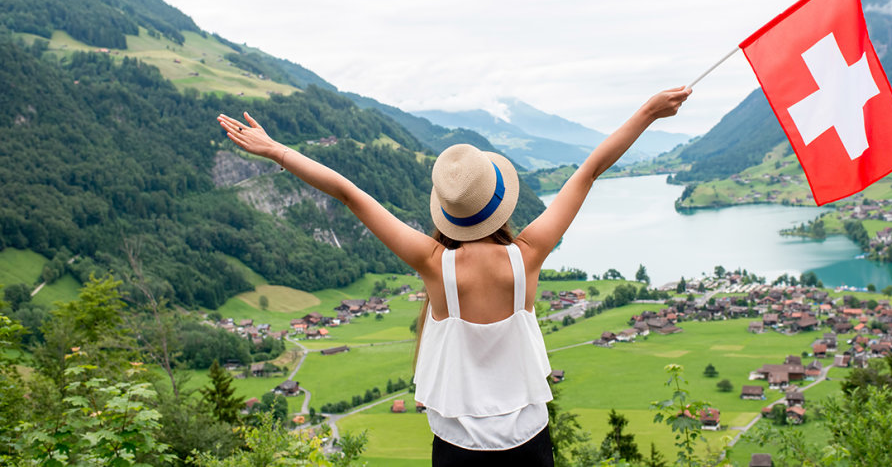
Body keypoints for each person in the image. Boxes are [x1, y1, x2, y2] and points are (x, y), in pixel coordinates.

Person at [216, 85, 691, 465]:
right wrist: (648, 112)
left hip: (457, 446)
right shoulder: (528, 255)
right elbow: (589, 170)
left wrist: (277, 151)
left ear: (447, 211)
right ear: (499, 200)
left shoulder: (432, 263)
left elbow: (348, 192)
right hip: (529, 441)